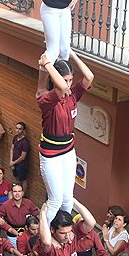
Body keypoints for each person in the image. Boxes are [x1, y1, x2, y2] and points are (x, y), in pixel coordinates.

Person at [36, 53, 93, 225]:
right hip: (50, 155)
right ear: (55, 79)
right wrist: (47, 63)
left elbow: (89, 77)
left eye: (71, 80)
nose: (69, 84)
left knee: (68, 198)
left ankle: (63, 231)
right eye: (66, 80)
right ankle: (43, 235)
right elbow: (60, 87)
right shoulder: (46, 98)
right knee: (55, 201)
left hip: (68, 151)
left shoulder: (73, 95)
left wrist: (72, 55)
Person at [10, 122, 30, 194]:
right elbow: (12, 149)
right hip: (14, 162)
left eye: (20, 129)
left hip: (22, 165)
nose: (17, 130)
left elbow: (23, 157)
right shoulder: (15, 137)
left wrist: (13, 163)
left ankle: (23, 194)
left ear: (23, 130)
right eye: (16, 128)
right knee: (16, 177)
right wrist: (11, 161)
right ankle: (17, 191)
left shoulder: (25, 142)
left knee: (23, 179)